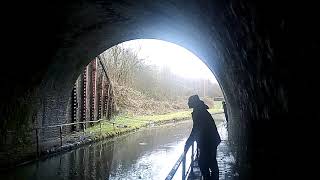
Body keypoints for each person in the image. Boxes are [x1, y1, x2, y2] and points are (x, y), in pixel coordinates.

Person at [184, 95, 221, 180]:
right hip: (211, 140)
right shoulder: (200, 110)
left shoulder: (198, 112)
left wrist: (188, 143)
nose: (188, 103)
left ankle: (209, 178)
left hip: (208, 141)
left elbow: (196, 129)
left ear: (194, 102)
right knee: (211, 162)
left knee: (203, 163)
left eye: (189, 101)